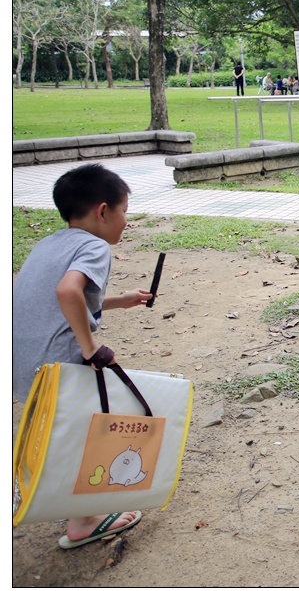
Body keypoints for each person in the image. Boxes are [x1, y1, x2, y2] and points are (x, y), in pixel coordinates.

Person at [13, 163, 153, 549]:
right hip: (58, 364)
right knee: (90, 432)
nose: (126, 221)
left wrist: (118, 302)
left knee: (69, 431)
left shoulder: (51, 242)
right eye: (124, 211)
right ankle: (83, 521)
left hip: (23, 360)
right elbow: (66, 293)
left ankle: (55, 500)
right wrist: (90, 348)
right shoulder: (94, 246)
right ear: (103, 211)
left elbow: (57, 296)